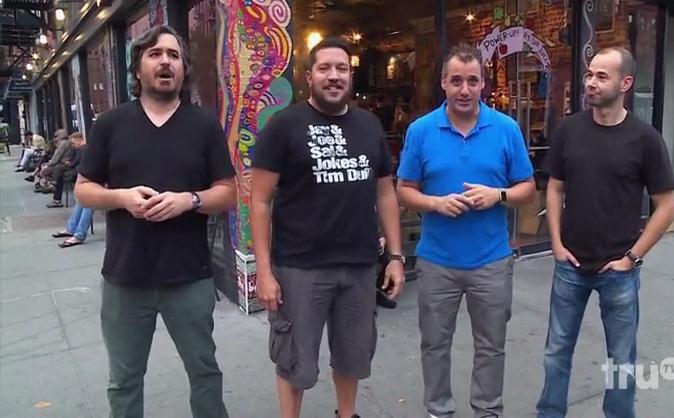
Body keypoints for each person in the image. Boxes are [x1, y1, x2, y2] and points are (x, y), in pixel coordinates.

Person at [74, 25, 235, 418]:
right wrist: (121, 198)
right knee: (124, 382)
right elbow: (83, 189)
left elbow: (228, 192)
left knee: (205, 373)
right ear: (138, 68)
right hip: (125, 279)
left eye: (174, 55)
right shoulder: (110, 124)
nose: (166, 61)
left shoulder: (204, 126)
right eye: (155, 54)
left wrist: (189, 201)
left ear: (183, 69)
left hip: (190, 277)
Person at [250, 37, 405, 418]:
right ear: (309, 77)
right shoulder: (283, 126)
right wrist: (264, 272)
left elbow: (385, 193)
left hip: (359, 266)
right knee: (294, 361)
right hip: (299, 268)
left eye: (342, 69)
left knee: (353, 356)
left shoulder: (369, 125)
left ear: (350, 76)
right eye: (325, 68)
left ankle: (346, 414)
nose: (334, 76)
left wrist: (396, 257)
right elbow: (259, 201)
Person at [535, 47, 674, 418]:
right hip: (570, 264)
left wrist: (632, 258)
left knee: (621, 359)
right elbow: (555, 187)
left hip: (619, 270)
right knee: (556, 352)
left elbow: (667, 207)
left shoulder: (645, 139)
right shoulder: (569, 130)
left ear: (625, 83)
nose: (591, 83)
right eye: (589, 74)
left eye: (602, 76)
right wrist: (556, 243)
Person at [396, 44, 536, 418]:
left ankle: (487, 411)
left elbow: (527, 188)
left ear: (483, 85)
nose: (464, 89)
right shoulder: (421, 131)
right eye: (456, 80)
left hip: (491, 261)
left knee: (491, 346)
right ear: (443, 83)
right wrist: (435, 203)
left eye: (472, 81)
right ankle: (438, 411)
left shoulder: (505, 129)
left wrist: (498, 195)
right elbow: (404, 190)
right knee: (434, 345)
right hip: (437, 262)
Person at [47, 132, 86, 208]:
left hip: (79, 171)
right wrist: (70, 162)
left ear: (79, 140)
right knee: (59, 171)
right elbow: (75, 160)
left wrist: (70, 163)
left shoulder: (83, 149)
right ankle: (56, 195)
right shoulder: (79, 150)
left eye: (73, 143)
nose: (73, 146)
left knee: (59, 172)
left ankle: (56, 197)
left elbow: (77, 162)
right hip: (77, 169)